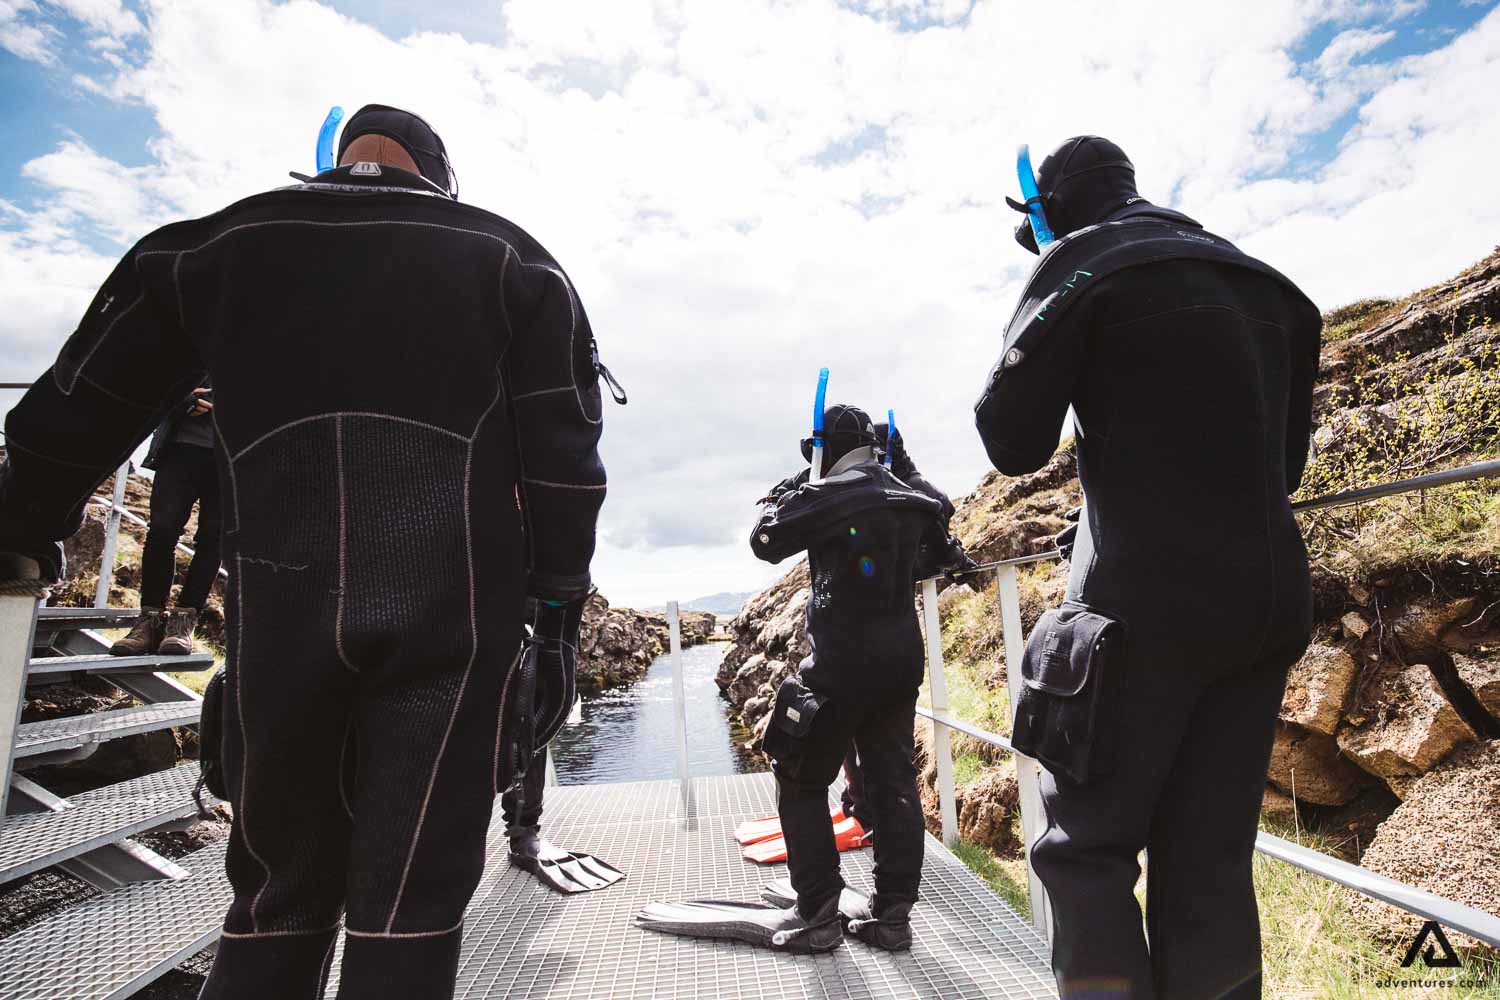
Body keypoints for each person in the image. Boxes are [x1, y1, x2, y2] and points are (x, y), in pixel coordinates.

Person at [0, 103, 614, 1000]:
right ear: (439, 178)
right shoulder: (514, 260)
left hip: (278, 623)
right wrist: (556, 627)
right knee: (410, 908)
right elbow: (566, 472)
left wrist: (23, 531)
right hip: (452, 629)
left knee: (274, 900)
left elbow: (69, 415)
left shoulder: (209, 247)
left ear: (329, 164)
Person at [976, 135, 1320, 998]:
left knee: (1084, 852)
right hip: (1267, 601)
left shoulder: (1081, 265)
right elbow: (1284, 469)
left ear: (1049, 211)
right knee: (1209, 858)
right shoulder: (1269, 286)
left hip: (1142, 611)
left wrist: (1046, 273)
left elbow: (1012, 441)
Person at [637, 404, 951, 953]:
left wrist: (790, 491)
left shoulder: (829, 495)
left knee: (800, 776)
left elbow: (766, 541)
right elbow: (938, 557)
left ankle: (817, 912)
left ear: (824, 448)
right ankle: (893, 915)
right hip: (901, 663)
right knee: (894, 783)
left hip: (841, 666)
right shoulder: (915, 498)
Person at [109, 381, 221, 656]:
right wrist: (183, 399)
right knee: (162, 530)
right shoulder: (194, 352)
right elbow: (153, 384)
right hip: (180, 449)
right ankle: (149, 622)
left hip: (234, 457)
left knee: (213, 540)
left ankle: (183, 623)